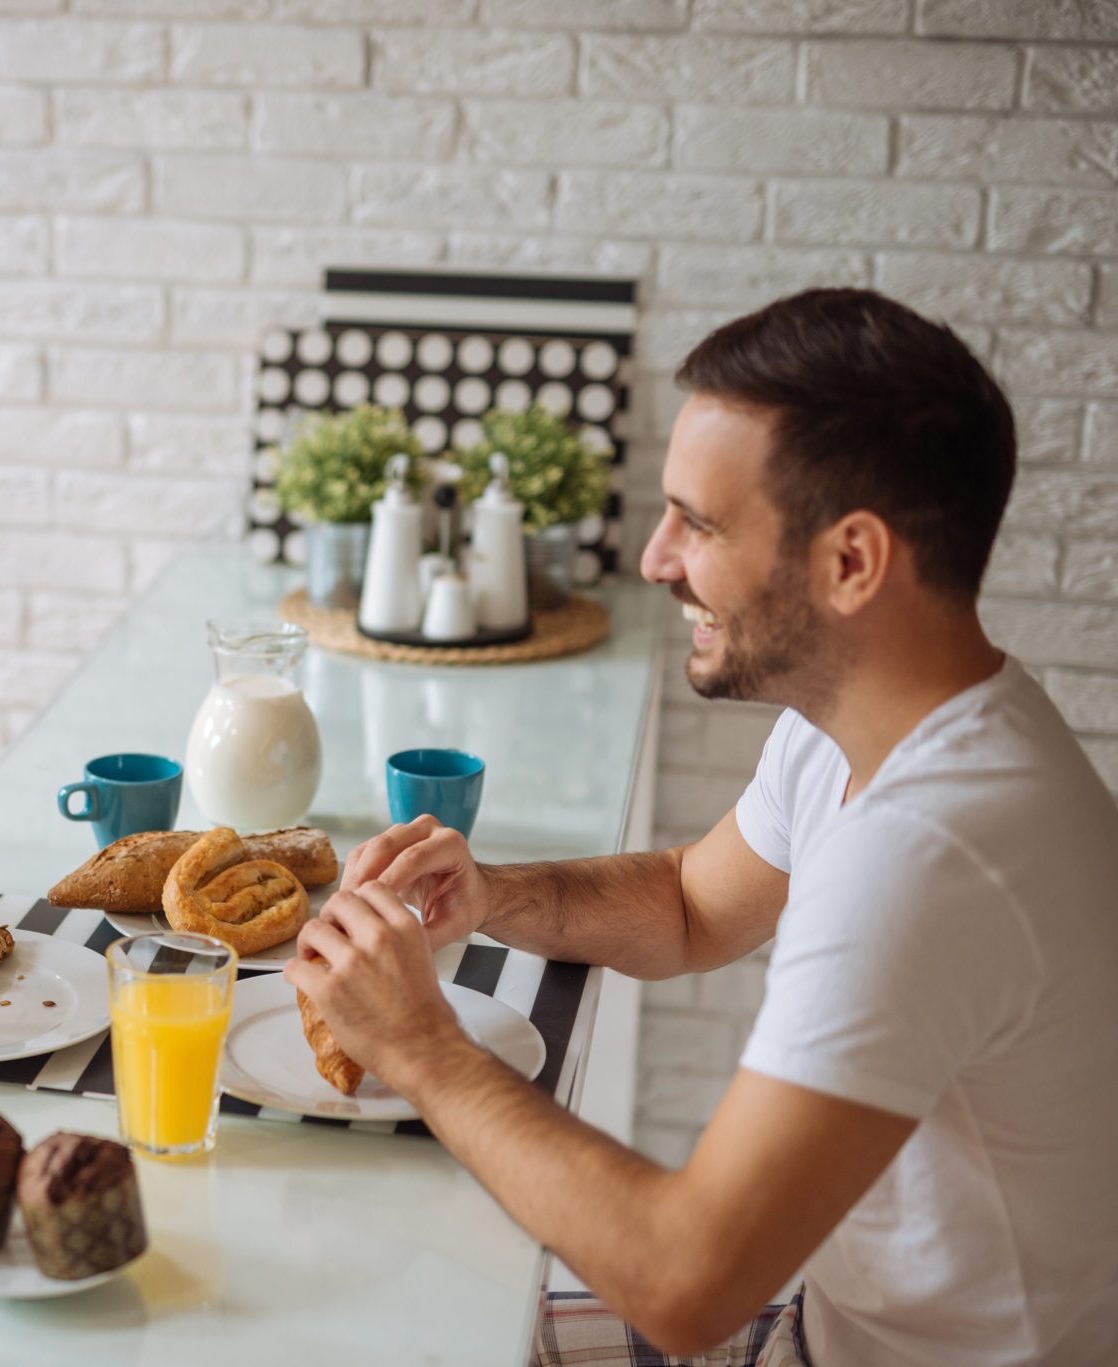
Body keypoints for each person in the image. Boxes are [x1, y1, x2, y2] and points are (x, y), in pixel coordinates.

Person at [286, 289, 1118, 1366]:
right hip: (814, 1326)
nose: (654, 557)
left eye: (700, 521)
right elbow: (687, 905)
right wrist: (493, 893)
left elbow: (684, 1283)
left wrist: (416, 1046)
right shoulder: (874, 725)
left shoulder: (931, 851)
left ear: (851, 562)